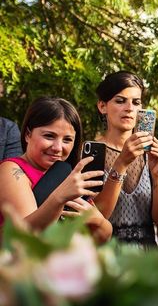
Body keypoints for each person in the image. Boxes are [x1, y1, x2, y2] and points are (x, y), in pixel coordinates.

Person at [0, 97, 111, 243]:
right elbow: (25, 237)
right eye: (49, 136)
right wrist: (59, 198)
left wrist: (99, 222)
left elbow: (103, 236)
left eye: (67, 140)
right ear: (28, 134)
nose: (58, 148)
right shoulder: (12, 170)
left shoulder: (67, 173)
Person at [93, 71, 158, 250]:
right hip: (107, 257)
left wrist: (157, 176)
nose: (129, 108)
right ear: (102, 106)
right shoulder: (93, 153)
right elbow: (96, 217)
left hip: (147, 257)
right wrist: (121, 164)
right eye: (120, 101)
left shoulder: (149, 153)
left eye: (136, 102)